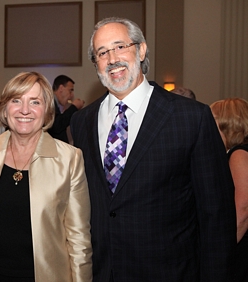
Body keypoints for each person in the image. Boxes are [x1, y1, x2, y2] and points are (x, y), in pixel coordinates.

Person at [70, 17, 236, 281]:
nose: (112, 58)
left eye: (120, 46)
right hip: (101, 272)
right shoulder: (81, 121)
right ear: (96, 64)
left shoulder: (191, 117)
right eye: (102, 53)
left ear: (142, 50)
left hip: (169, 272)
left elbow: (216, 214)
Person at [0, 72, 92, 282]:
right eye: (16, 100)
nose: (25, 110)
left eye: (35, 102)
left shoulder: (69, 159)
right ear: (5, 108)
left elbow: (79, 238)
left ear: (46, 110)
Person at [210, 98, 248, 282]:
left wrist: (222, 252)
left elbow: (243, 209)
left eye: (212, 121)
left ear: (227, 124)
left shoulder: (239, 154)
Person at [48, 75, 84, 143]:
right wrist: (74, 107)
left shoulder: (56, 105)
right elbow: (56, 126)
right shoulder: (49, 102)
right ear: (61, 88)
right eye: (70, 90)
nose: (72, 95)